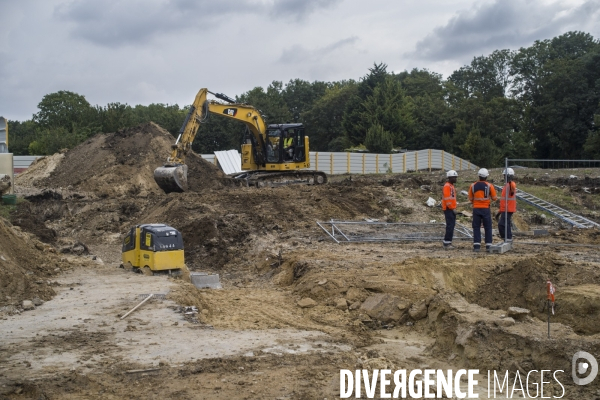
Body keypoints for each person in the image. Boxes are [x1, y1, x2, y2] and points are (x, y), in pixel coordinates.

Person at [468, 168, 497, 253]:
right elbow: (494, 198)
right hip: (485, 209)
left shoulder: (473, 185)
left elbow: (470, 198)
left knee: (476, 227)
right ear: (486, 177)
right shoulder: (489, 186)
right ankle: (488, 246)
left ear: (479, 176)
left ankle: (477, 246)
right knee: (487, 227)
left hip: (476, 208)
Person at [496, 168, 517, 242]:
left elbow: (513, 186)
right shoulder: (506, 185)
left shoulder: (511, 184)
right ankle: (508, 238)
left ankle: (507, 238)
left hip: (508, 209)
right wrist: (500, 211)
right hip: (506, 208)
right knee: (506, 224)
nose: (504, 177)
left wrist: (510, 180)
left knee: (502, 225)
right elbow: (504, 200)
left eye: (505, 176)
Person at [442, 170, 458, 250]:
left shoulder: (451, 186)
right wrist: (452, 208)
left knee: (451, 226)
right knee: (450, 226)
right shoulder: (447, 186)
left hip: (451, 208)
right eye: (454, 177)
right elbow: (447, 199)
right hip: (449, 209)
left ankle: (448, 242)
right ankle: (447, 242)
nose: (456, 179)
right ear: (450, 178)